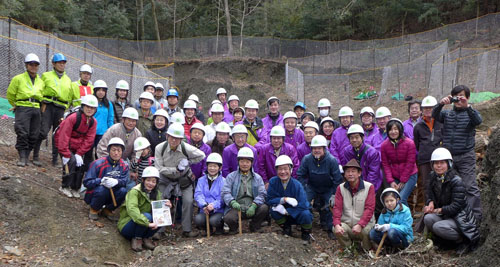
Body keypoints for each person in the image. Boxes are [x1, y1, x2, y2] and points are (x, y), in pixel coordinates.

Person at [432, 85, 483, 222]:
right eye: (456, 96)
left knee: (469, 186)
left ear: (467, 97)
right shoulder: (448, 114)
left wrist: (467, 107)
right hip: (449, 157)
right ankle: (450, 214)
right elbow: (434, 115)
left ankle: (475, 218)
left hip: (466, 155)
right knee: (448, 185)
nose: (459, 99)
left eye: (462, 96)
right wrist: (440, 104)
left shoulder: (471, 113)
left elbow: (478, 121)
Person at [423, 147, 479, 255]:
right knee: (428, 218)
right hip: (445, 215)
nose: (439, 166)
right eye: (436, 163)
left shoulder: (456, 181)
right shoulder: (433, 177)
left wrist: (439, 210)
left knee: (438, 227)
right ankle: (446, 242)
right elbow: (429, 194)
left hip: (460, 217)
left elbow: (456, 206)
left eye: (442, 163)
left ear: (448, 163)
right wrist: (430, 202)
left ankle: (462, 241)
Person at [154, 122, 206, 237]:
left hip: (184, 179)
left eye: (177, 139)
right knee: (160, 199)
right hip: (165, 179)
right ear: (167, 136)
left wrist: (189, 162)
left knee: (188, 201)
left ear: (181, 139)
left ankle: (187, 230)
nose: (174, 141)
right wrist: (175, 169)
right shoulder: (160, 148)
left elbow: (201, 155)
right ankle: (159, 230)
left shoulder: (185, 148)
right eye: (172, 137)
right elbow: (158, 168)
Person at [297, 135, 342, 239]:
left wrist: (335, 194)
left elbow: (337, 179)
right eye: (314, 148)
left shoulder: (332, 160)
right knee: (304, 203)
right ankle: (306, 226)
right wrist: (303, 189)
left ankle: (331, 228)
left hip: (328, 187)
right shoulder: (307, 159)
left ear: (324, 148)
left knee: (332, 206)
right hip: (312, 186)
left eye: (319, 148)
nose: (316, 151)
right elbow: (300, 175)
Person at [33, 53, 74, 167]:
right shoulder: (46, 75)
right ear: (53, 64)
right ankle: (35, 155)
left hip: (60, 107)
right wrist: (42, 102)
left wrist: (66, 107)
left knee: (58, 134)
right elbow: (39, 88)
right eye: (59, 62)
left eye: (63, 63)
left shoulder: (68, 80)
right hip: (48, 105)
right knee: (43, 131)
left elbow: (70, 96)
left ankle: (55, 160)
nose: (62, 65)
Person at [54, 95, 98, 198]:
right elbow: (63, 135)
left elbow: (89, 139)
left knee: (80, 164)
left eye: (92, 108)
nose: (89, 110)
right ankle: (65, 186)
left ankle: (75, 188)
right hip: (64, 144)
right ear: (83, 106)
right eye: (87, 107)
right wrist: (65, 153)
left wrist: (79, 153)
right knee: (71, 162)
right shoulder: (73, 118)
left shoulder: (93, 122)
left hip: (78, 147)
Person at [118, 166, 169, 252]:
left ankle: (146, 238)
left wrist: (166, 206)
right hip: (128, 225)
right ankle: (137, 238)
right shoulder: (134, 192)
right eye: (148, 180)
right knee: (147, 216)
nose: (150, 183)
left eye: (153, 181)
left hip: (143, 225)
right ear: (143, 180)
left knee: (162, 217)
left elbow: (160, 211)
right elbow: (132, 210)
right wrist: (148, 224)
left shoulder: (156, 193)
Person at [6, 53, 44, 166]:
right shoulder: (18, 78)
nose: (33, 66)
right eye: (31, 64)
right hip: (23, 107)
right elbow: (10, 94)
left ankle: (27, 155)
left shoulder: (41, 81)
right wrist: (16, 104)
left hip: (36, 108)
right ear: (26, 65)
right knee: (22, 132)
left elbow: (41, 95)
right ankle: (22, 157)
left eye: (36, 64)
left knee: (34, 134)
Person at [222, 147, 269, 234]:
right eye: (242, 161)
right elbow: (225, 192)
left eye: (247, 162)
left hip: (251, 205)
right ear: (238, 162)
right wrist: (232, 202)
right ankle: (234, 228)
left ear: (251, 163)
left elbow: (262, 194)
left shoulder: (257, 178)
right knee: (228, 218)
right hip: (237, 206)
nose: (244, 164)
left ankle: (254, 226)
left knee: (264, 208)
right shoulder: (231, 176)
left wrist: (254, 205)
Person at [332, 159, 376, 250]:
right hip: (347, 223)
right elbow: (337, 208)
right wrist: (336, 224)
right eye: (347, 171)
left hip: (364, 224)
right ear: (344, 174)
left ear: (359, 173)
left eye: (353, 171)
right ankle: (348, 248)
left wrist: (360, 224)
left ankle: (366, 249)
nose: (350, 174)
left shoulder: (369, 187)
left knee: (366, 231)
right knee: (336, 228)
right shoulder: (340, 188)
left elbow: (369, 209)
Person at [267, 155, 313, 241]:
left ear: (290, 170)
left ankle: (306, 231)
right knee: (273, 210)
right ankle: (286, 227)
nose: (283, 172)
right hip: (283, 213)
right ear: (276, 170)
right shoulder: (273, 182)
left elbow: (303, 204)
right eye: (280, 169)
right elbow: (269, 200)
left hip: (297, 212)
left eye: (285, 169)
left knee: (306, 214)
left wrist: (288, 212)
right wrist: (283, 200)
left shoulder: (297, 185)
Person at [84, 137, 129, 221]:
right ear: (109, 151)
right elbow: (86, 182)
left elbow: (124, 181)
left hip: (113, 192)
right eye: (113, 150)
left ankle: (108, 209)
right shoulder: (97, 163)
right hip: (96, 193)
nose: (116, 153)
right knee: (102, 190)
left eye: (119, 151)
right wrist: (100, 181)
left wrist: (116, 182)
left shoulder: (124, 165)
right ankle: (94, 208)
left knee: (123, 191)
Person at [413, 96, 443, 214]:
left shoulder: (441, 122)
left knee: (441, 184)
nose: (428, 111)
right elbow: (417, 144)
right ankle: (426, 209)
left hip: (440, 159)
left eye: (430, 108)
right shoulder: (418, 126)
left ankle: (439, 208)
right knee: (426, 185)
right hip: (425, 160)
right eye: (425, 108)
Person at [380, 119, 417, 206]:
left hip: (410, 175)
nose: (393, 132)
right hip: (395, 176)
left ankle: (407, 219)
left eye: (396, 129)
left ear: (400, 130)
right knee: (394, 199)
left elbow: (410, 163)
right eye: (391, 129)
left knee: (401, 199)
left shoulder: (409, 143)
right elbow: (385, 164)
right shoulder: (384, 145)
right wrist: (391, 181)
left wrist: (403, 180)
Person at [340, 124, 382, 192]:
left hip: (371, 185)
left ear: (362, 137)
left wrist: (367, 188)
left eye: (357, 137)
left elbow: (373, 173)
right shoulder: (347, 151)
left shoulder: (372, 152)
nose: (354, 140)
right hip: (354, 184)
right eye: (351, 138)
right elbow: (348, 169)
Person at [194, 153, 225, 236]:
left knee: (214, 221)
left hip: (218, 210)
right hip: (204, 209)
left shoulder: (223, 181)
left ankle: (219, 228)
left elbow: (222, 197)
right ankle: (208, 229)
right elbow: (198, 194)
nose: (212, 168)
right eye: (210, 166)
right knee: (198, 219)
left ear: (220, 168)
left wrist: (213, 205)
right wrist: (204, 205)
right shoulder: (201, 180)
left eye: (215, 166)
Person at [92, 80, 114, 157]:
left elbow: (110, 119)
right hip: (91, 132)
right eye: (99, 90)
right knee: (88, 152)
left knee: (100, 153)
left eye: (103, 90)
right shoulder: (91, 102)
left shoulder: (108, 104)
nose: (101, 92)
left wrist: (110, 131)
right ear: (95, 91)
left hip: (103, 134)